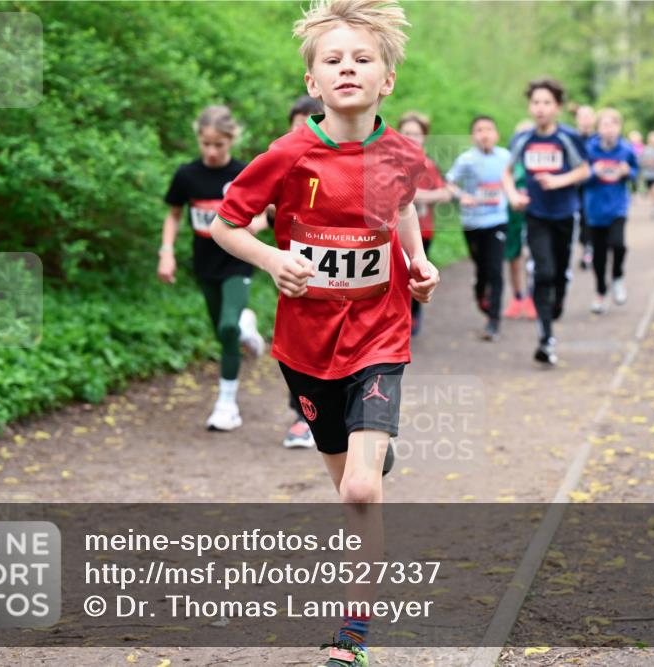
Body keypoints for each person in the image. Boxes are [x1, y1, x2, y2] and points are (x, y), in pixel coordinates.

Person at [209, 2, 439, 665]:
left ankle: (354, 632)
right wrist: (273, 258)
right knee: (349, 479)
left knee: (361, 491)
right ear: (313, 81)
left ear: (387, 80)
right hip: (306, 347)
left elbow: (398, 206)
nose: (348, 68)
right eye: (333, 59)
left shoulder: (401, 152)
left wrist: (418, 262)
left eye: (363, 58)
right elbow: (226, 226)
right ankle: (372, 450)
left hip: (379, 334)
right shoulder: (287, 154)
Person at [159, 105, 266, 431]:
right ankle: (246, 326)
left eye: (218, 145)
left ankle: (226, 404)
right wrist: (166, 252)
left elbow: (264, 213)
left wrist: (254, 227)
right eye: (206, 144)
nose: (212, 151)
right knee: (224, 330)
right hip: (205, 263)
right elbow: (174, 214)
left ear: (231, 140)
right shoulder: (187, 175)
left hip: (237, 261)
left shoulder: (245, 173)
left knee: (227, 329)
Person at [503, 78, 590, 367]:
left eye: (546, 103)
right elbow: (506, 172)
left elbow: (583, 170)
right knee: (543, 271)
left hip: (565, 215)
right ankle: (545, 338)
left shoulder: (567, 137)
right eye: (535, 103)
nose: (540, 108)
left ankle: (558, 300)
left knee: (559, 273)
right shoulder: (522, 139)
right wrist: (513, 195)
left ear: (558, 107)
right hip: (536, 215)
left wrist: (558, 180)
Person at [281, 94, 325, 448]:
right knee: (299, 345)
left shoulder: (342, 159)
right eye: (297, 123)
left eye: (310, 122)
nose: (303, 130)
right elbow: (259, 204)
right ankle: (301, 416)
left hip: (340, 279)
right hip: (294, 273)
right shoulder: (280, 156)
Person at [446, 115, 510, 341]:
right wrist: (462, 196)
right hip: (472, 223)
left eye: (489, 129)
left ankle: (494, 321)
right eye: (480, 130)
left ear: (496, 134)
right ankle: (479, 289)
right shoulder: (466, 159)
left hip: (498, 220)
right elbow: (449, 182)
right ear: (473, 136)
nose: (485, 134)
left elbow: (515, 180)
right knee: (482, 268)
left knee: (495, 269)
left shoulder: (506, 157)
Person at [398, 111, 452, 336]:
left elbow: (445, 193)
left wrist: (416, 196)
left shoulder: (427, 165)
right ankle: (400, 317)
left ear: (424, 138)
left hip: (424, 230)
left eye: (416, 134)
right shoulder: (389, 163)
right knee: (398, 275)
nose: (411, 137)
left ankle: (415, 315)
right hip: (395, 231)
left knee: (418, 274)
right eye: (406, 133)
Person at [583, 108, 637, 314]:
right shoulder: (589, 149)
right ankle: (600, 292)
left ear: (619, 127)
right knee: (598, 256)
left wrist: (627, 172)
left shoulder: (626, 150)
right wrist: (592, 173)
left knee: (619, 245)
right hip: (595, 209)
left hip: (617, 207)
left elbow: (635, 172)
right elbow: (579, 176)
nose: (609, 129)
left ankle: (617, 277)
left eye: (613, 125)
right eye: (604, 125)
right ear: (598, 128)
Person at [502, 119, 537, 320]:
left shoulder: (538, 160)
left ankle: (532, 298)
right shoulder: (509, 161)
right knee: (513, 257)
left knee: (533, 257)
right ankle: (517, 297)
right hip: (512, 216)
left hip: (535, 216)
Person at [575, 105, 597, 271]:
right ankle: (586, 249)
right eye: (582, 116)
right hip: (576, 187)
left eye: (588, 116)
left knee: (592, 219)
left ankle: (592, 249)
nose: (585, 120)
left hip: (596, 187)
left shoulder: (599, 139)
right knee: (582, 220)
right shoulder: (572, 138)